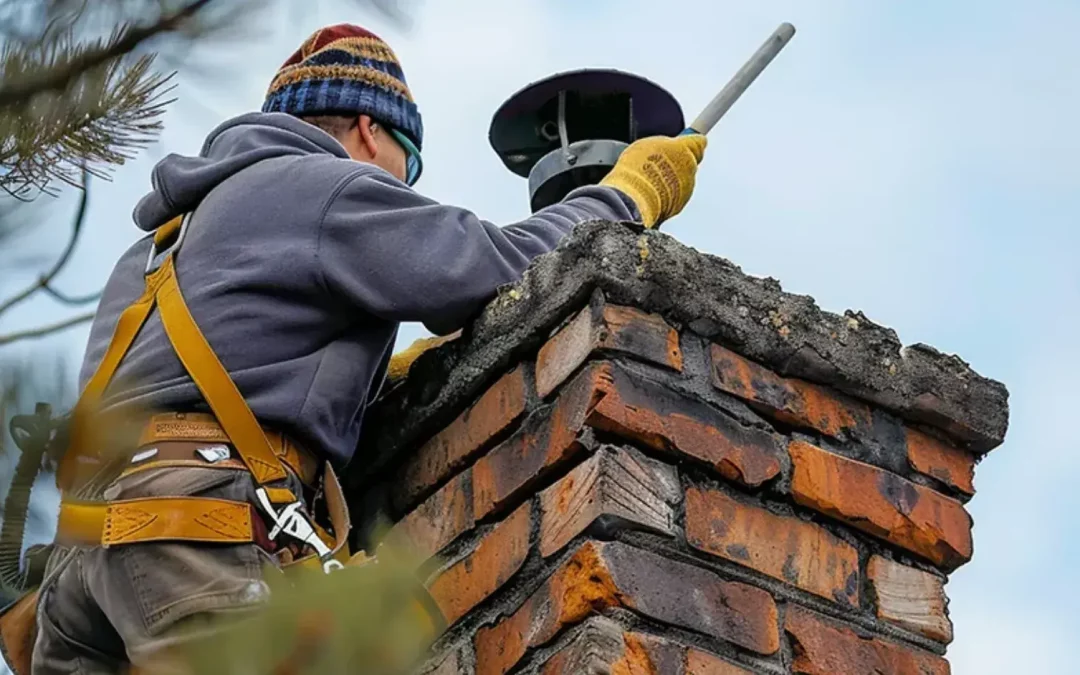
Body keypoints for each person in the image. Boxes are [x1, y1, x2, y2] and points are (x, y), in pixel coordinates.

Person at [28, 23, 706, 674]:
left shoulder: (154, 247)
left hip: (76, 579)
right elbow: (499, 264)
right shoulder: (324, 186)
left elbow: (210, 377)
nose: (402, 185)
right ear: (367, 129)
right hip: (189, 538)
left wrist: (366, 388)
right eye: (406, 164)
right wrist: (624, 194)